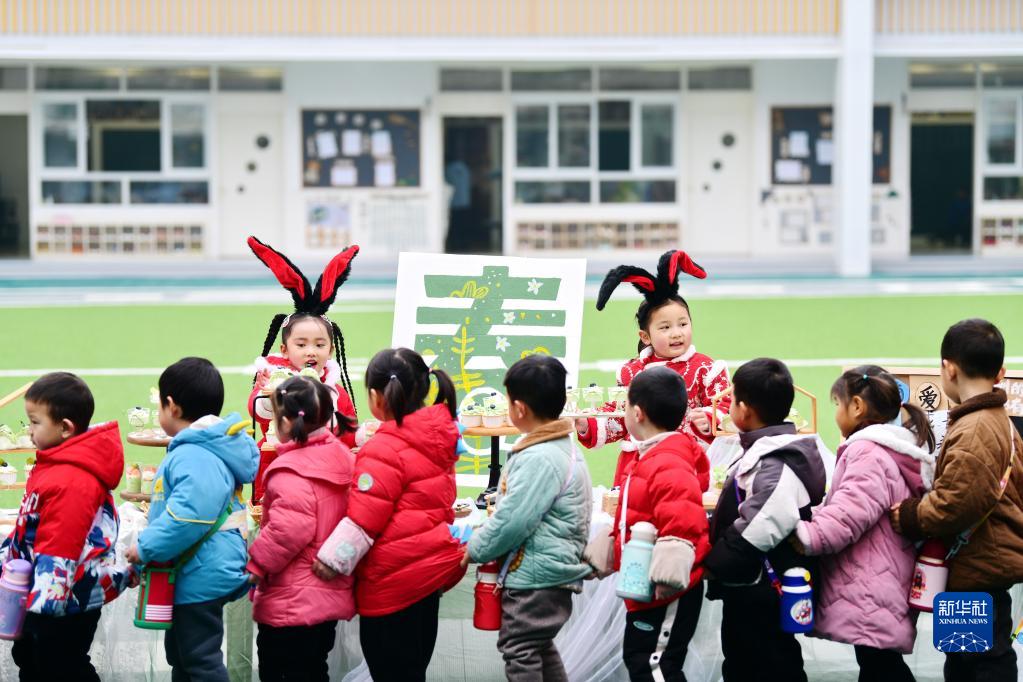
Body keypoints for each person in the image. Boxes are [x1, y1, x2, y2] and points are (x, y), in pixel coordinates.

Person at [313, 348, 466, 681]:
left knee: (391, 671)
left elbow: (364, 521)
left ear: (375, 397)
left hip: (391, 584)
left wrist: (331, 561)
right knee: (413, 669)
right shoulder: (439, 435)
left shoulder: (383, 448)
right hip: (428, 577)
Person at [892, 319, 1023, 681]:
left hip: (976, 570)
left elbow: (955, 504)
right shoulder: (997, 420)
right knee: (966, 658)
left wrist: (909, 515)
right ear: (1000, 372)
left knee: (979, 663)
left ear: (948, 368)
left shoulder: (975, 427)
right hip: (980, 566)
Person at [793, 366, 936, 682]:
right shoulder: (891, 447)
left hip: (870, 582)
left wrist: (808, 534)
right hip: (881, 576)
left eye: (838, 404)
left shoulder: (867, 451)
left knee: (879, 665)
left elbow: (850, 513)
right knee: (878, 664)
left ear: (856, 406)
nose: (836, 412)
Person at [125, 357, 259, 682]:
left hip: (200, 571)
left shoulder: (194, 454)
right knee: (184, 655)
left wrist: (146, 548)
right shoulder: (203, 448)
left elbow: (189, 517)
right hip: (199, 567)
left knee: (199, 659)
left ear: (171, 406)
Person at [462, 355, 592, 681]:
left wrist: (473, 548)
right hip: (547, 571)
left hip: (536, 576)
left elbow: (513, 521)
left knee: (520, 648)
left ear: (519, 408)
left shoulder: (540, 457)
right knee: (538, 646)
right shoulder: (558, 447)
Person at [2, 372, 135, 680]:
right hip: (45, 592)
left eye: (35, 422)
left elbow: (61, 543)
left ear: (65, 428)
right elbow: (30, 527)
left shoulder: (72, 480)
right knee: (31, 658)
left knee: (61, 666)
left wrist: (46, 601)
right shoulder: (54, 467)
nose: (29, 430)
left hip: (63, 599)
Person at [703, 358, 827, 682]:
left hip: (760, 586)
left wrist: (714, 562)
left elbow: (763, 523)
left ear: (744, 410)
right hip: (756, 583)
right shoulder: (770, 450)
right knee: (749, 656)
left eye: (731, 399)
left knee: (766, 660)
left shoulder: (775, 461)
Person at [587, 366, 710, 682]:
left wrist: (668, 574)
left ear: (637, 413)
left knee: (656, 667)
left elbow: (683, 521)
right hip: (646, 588)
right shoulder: (652, 456)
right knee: (641, 659)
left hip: (664, 591)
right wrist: (608, 550)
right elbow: (639, 515)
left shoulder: (667, 461)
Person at [576, 250, 731, 486]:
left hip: (685, 461)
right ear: (645, 336)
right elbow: (620, 416)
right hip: (637, 464)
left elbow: (726, 407)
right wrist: (587, 424)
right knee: (634, 506)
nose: (677, 333)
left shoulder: (705, 369)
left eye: (683, 324)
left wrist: (710, 418)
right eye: (665, 327)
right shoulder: (632, 372)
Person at [247, 376, 356, 682]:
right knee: (313, 667)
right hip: (325, 596)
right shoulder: (342, 457)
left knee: (280, 669)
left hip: (291, 600)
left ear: (284, 423)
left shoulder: (290, 471)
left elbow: (288, 530)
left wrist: (256, 564)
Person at [247, 236, 360, 503]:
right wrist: (267, 392)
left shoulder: (336, 392)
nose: (311, 351)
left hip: (325, 478)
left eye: (320, 345)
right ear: (284, 350)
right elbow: (258, 412)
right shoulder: (273, 381)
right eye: (301, 344)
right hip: (276, 471)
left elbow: (350, 435)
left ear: (330, 350)